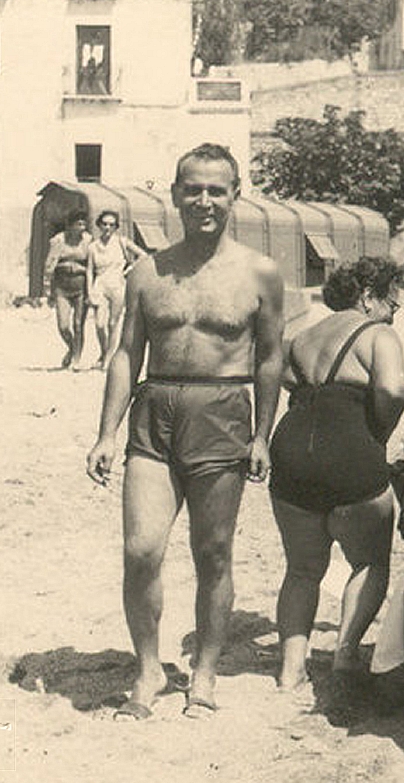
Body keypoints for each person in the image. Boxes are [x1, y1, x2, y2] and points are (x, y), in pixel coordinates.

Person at [85, 144, 284, 721]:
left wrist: (262, 435)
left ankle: (203, 672)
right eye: (192, 189)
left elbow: (271, 358)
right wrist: (105, 434)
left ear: (235, 195)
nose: (203, 200)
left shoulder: (260, 273)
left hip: (222, 411)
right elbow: (126, 355)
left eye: (215, 190)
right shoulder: (146, 271)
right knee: (141, 549)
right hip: (157, 408)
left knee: (213, 552)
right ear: (174, 194)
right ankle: (148, 666)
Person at [269, 257, 404, 693]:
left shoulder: (303, 336)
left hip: (292, 451)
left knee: (302, 569)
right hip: (351, 450)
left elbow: (288, 381)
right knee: (369, 562)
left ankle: (291, 668)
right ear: (368, 297)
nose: (394, 312)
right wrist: (379, 432)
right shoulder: (378, 334)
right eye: (391, 302)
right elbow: (393, 388)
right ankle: (345, 653)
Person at [88, 209, 146, 370]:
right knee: (99, 324)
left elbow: (143, 255)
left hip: (118, 285)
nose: (107, 228)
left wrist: (128, 270)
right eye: (104, 224)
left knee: (113, 324)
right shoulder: (93, 246)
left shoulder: (122, 242)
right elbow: (89, 271)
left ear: (115, 227)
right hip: (99, 285)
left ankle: (107, 359)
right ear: (99, 225)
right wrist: (89, 290)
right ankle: (104, 351)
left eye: (111, 225)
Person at [43, 211, 93, 369]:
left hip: (81, 287)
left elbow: (93, 264)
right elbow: (49, 265)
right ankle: (72, 348)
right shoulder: (58, 240)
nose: (81, 228)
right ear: (70, 225)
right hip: (61, 287)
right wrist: (48, 290)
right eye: (78, 224)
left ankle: (76, 359)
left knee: (78, 324)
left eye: (84, 224)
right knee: (63, 325)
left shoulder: (88, 241)